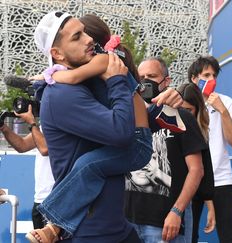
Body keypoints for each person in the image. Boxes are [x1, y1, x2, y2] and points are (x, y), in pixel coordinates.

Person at [26, 14, 156, 243]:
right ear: (56, 54)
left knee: (88, 165)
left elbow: (130, 119)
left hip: (111, 226)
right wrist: (116, 81)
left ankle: (54, 225)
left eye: (86, 32)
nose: (88, 40)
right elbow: (120, 131)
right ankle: (54, 224)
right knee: (87, 165)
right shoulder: (62, 95)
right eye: (77, 36)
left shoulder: (95, 71)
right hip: (92, 231)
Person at [124, 57, 205, 242]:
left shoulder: (182, 117)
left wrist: (177, 211)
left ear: (166, 81)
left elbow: (196, 170)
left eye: (152, 76)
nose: (145, 81)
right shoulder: (129, 117)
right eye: (141, 77)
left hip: (165, 223)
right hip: (128, 221)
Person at [188, 55, 232, 242]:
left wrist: (222, 111)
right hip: (190, 178)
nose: (211, 80)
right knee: (188, 235)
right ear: (194, 79)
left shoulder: (225, 101)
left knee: (228, 237)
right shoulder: (185, 102)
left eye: (214, 75)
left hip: (220, 179)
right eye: (206, 75)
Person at [0, 104, 54, 230]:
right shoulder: (44, 127)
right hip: (41, 199)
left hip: (56, 198)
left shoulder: (65, 126)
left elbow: (44, 149)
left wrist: (32, 123)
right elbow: (22, 145)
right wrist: (3, 127)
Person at [176, 83, 216, 242]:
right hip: (172, 196)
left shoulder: (201, 132)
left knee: (191, 237)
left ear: (198, 110)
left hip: (195, 197)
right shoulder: (168, 127)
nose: (184, 115)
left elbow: (203, 173)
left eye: (188, 110)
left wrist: (210, 205)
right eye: (181, 110)